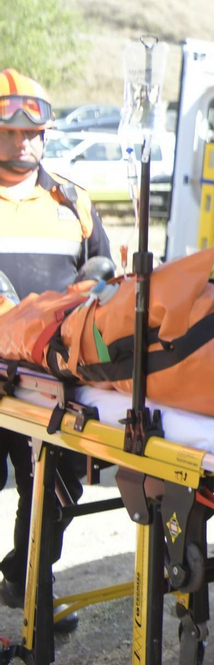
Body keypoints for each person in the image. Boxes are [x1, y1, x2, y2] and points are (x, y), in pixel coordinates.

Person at [0, 70, 113, 630]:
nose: (23, 142)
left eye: (32, 133)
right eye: (10, 132)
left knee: (57, 488)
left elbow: (104, 278)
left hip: (52, 378)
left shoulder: (72, 200)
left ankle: (28, 584)